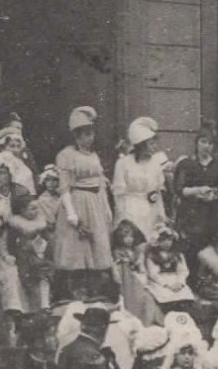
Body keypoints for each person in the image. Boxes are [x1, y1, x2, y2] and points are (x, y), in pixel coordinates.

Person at [53, 106, 115, 295]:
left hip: (95, 203)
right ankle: (75, 289)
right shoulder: (67, 155)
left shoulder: (94, 156)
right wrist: (72, 214)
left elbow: (100, 183)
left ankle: (93, 288)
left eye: (91, 133)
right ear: (77, 135)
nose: (90, 138)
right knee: (78, 247)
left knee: (97, 246)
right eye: (86, 134)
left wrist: (106, 208)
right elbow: (64, 187)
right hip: (78, 202)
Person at [173, 128, 218, 263]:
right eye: (203, 142)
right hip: (192, 212)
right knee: (191, 247)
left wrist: (215, 196)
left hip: (212, 212)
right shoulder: (186, 164)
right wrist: (198, 190)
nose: (206, 146)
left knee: (211, 245)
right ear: (196, 143)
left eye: (210, 143)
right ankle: (191, 280)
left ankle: (207, 279)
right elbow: (179, 189)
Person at [112, 117, 169, 237]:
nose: (155, 146)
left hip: (151, 211)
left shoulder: (155, 163)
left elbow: (157, 193)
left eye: (155, 142)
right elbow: (119, 195)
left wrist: (161, 215)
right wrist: (122, 218)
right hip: (131, 211)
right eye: (151, 143)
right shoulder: (123, 163)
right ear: (141, 144)